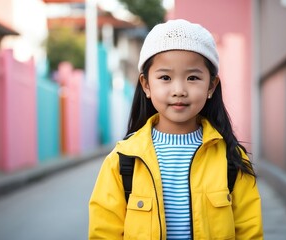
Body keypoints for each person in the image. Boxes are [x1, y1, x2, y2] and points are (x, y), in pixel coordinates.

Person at [89, 19, 263, 239]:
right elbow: (103, 233)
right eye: (165, 78)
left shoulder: (231, 158)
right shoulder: (123, 160)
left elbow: (249, 231)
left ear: (211, 86)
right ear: (146, 85)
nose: (179, 90)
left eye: (192, 77)